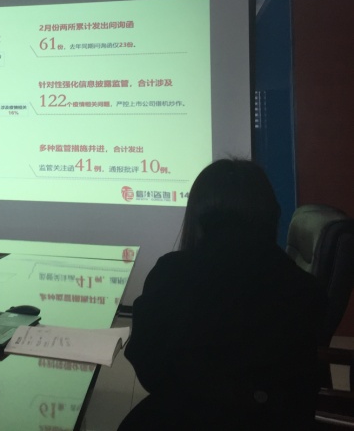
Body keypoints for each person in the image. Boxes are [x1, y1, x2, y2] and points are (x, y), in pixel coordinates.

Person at [120, 158, 327, 431]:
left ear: (197, 213)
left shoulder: (171, 272)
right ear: (270, 213)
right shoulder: (304, 287)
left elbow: (148, 368)